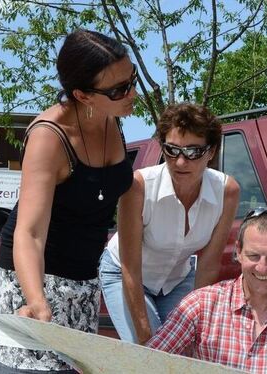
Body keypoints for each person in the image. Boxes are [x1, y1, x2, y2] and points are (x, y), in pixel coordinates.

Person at [0, 29, 136, 373]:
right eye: (119, 90)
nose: (132, 94)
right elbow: (29, 233)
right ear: (82, 95)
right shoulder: (48, 138)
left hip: (83, 282)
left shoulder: (110, 117)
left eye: (131, 80)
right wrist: (36, 300)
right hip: (35, 279)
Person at [99, 102, 240, 344]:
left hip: (177, 280)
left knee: (185, 347)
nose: (181, 162)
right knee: (150, 352)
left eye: (193, 152)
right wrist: (145, 337)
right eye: (172, 150)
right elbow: (130, 267)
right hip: (125, 274)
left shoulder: (226, 191)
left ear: (211, 151)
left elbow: (208, 265)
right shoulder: (139, 187)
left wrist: (198, 325)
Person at [146, 207, 267, 373]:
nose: (262, 268)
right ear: (239, 252)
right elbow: (146, 363)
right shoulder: (199, 305)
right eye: (253, 256)